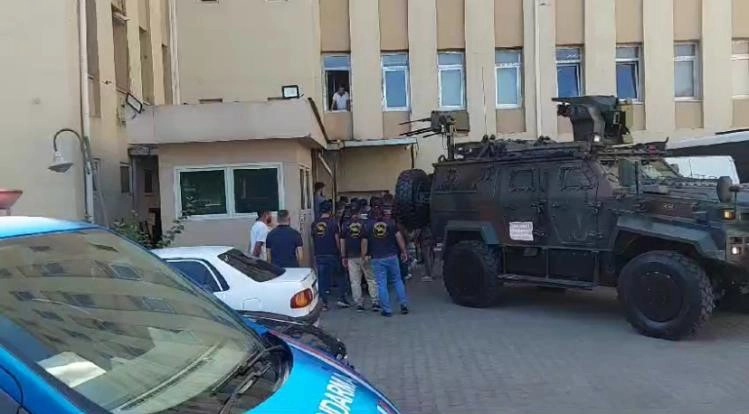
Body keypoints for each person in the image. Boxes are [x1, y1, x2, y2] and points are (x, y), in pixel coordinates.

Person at [363, 205, 409, 317]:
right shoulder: (391, 223)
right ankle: (403, 305)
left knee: (381, 284)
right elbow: (399, 237)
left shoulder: (367, 226)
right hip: (392, 256)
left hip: (377, 258)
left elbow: (364, 242)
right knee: (397, 280)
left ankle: (387, 310)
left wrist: (364, 255)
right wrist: (403, 251)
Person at [340, 203, 380, 312]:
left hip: (351, 256)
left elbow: (342, 241)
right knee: (371, 279)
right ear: (359, 212)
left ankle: (359, 304)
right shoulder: (367, 223)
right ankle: (375, 302)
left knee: (355, 281)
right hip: (366, 255)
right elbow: (370, 239)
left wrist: (343, 256)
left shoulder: (345, 225)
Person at [312, 200, 350, 310]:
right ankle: (341, 298)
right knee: (340, 276)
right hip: (332, 253)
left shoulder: (314, 223)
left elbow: (314, 238)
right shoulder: (333, 223)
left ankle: (323, 303)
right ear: (330, 210)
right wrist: (341, 253)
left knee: (322, 279)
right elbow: (337, 239)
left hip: (319, 254)